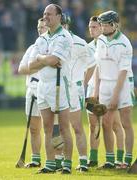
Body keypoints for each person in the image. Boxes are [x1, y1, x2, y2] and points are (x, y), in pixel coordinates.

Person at [28, 4, 73, 174]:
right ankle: (50, 163)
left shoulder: (64, 36)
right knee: (47, 128)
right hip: (43, 86)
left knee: (63, 128)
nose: (45, 17)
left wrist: (43, 58)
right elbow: (31, 65)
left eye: (49, 14)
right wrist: (43, 58)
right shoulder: (41, 39)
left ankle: (67, 164)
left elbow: (55, 60)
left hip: (60, 85)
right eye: (44, 14)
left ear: (59, 16)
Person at [55, 13, 96, 172]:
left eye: (63, 24)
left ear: (67, 24)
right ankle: (60, 161)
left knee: (76, 126)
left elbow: (92, 64)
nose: (61, 27)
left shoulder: (79, 42)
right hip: (56, 89)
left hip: (73, 89)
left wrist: (83, 83)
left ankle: (83, 162)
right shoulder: (53, 41)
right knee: (56, 127)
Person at [93, 10, 134, 169]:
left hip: (121, 85)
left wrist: (115, 96)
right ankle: (110, 161)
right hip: (104, 85)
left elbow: (123, 71)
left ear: (114, 24)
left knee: (125, 123)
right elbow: (98, 66)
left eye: (104, 24)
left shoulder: (125, 43)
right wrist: (96, 90)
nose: (102, 27)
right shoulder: (100, 40)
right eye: (101, 24)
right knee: (106, 124)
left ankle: (126, 160)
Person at [86, 16, 124, 168]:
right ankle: (93, 158)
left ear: (101, 27)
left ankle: (119, 159)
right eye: (90, 27)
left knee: (114, 125)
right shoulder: (87, 47)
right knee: (92, 124)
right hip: (91, 89)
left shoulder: (108, 44)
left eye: (95, 27)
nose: (92, 29)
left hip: (107, 88)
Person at [18, 18, 47, 168]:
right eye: (38, 27)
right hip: (32, 90)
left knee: (52, 128)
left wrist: (36, 65)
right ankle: (36, 159)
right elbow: (21, 69)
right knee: (34, 128)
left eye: (43, 27)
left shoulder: (52, 47)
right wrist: (40, 65)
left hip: (47, 92)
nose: (40, 29)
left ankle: (59, 159)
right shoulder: (32, 48)